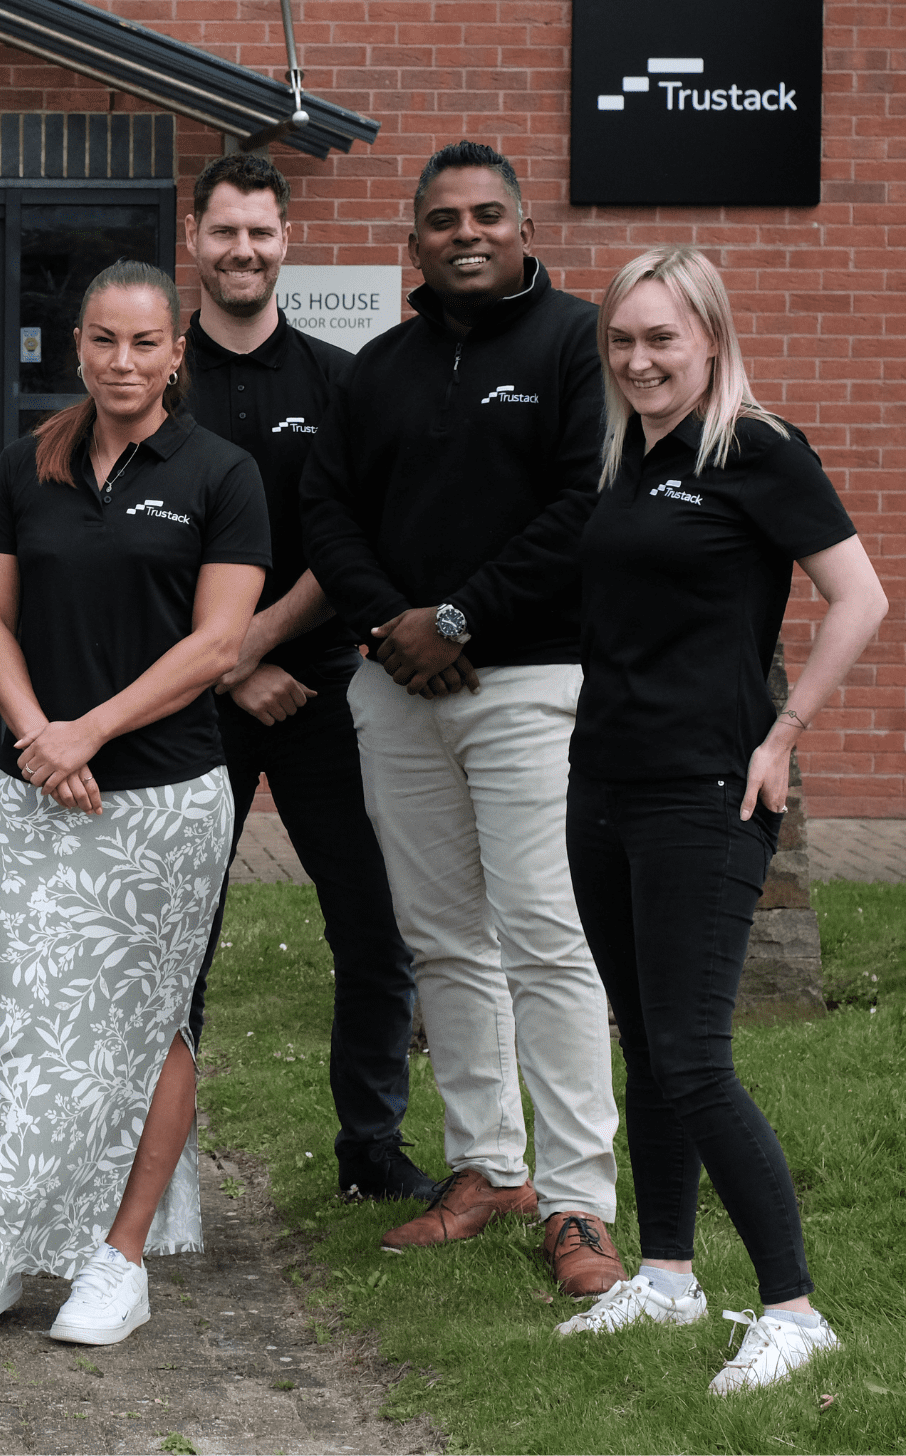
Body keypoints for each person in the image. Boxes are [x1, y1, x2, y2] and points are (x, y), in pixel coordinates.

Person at [553, 246, 884, 1394]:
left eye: (662, 340)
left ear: (709, 340)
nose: (640, 360)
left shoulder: (759, 448)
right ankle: (668, 1279)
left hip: (707, 789)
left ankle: (793, 1310)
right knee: (645, 1047)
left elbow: (860, 595)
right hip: (601, 783)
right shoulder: (623, 454)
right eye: (624, 340)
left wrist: (784, 731)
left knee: (694, 1057)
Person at [299, 141, 624, 1297]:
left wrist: (460, 619)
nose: (466, 234)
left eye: (488, 215)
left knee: (544, 933)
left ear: (526, 229)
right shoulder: (374, 367)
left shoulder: (580, 344)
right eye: (442, 220)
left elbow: (585, 501)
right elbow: (326, 512)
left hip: (532, 684)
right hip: (397, 687)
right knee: (440, 936)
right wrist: (395, 627)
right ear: (413, 243)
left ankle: (581, 1199)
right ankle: (489, 1167)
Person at [0, 261, 268, 1348]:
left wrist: (89, 731)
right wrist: (38, 737)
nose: (122, 363)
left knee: (145, 1025)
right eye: (102, 342)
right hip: (41, 796)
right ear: (74, 347)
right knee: (21, 1025)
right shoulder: (25, 466)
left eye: (144, 344)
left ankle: (115, 1260)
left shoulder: (222, 472)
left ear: (177, 354)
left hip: (167, 799)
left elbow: (216, 644)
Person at [176, 151, 433, 1204]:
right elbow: (140, 556)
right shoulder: (156, 374)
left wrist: (258, 646)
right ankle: (161, 1157)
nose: (244, 250)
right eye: (225, 230)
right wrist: (229, 671)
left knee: (374, 928)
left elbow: (353, 541)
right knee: (177, 935)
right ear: (193, 237)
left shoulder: (341, 379)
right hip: (190, 701)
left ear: (287, 241)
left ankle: (370, 1153)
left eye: (262, 232)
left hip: (329, 691)